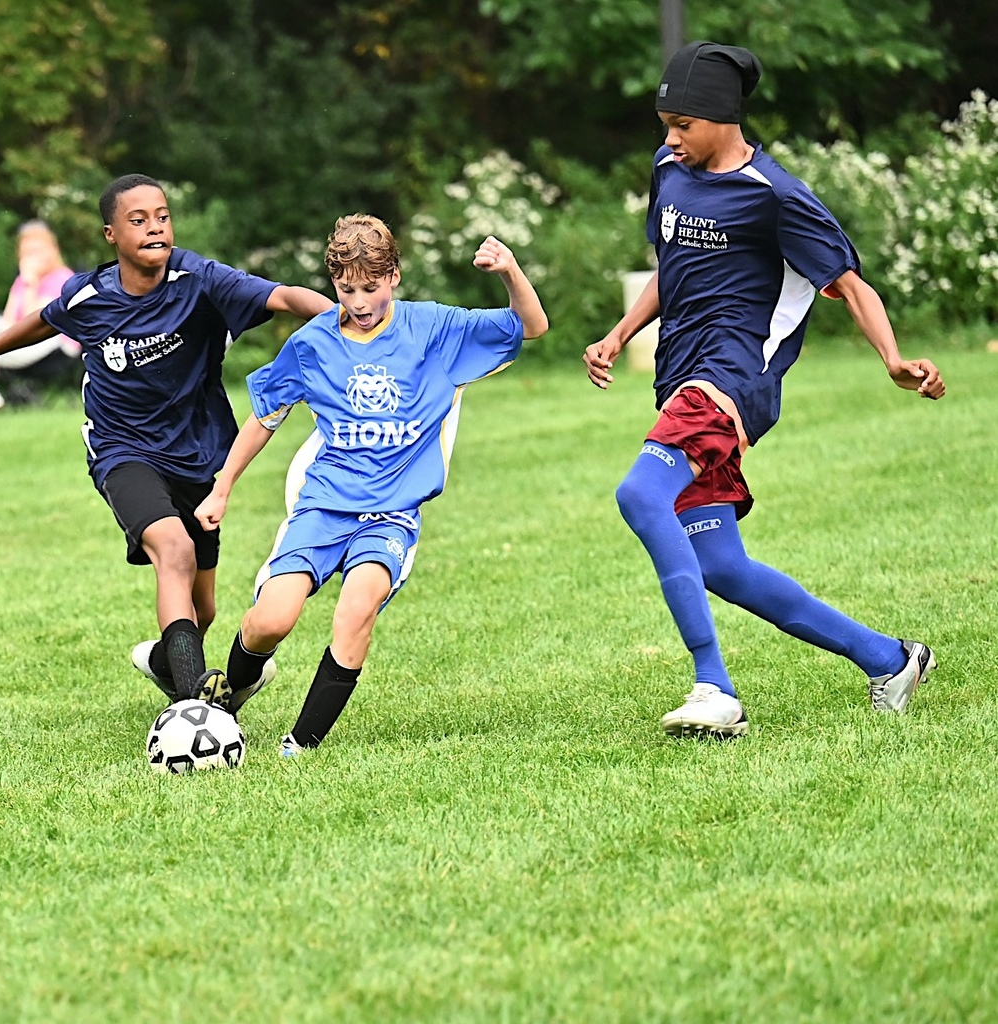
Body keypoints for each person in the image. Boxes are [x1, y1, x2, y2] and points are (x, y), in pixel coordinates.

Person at [583, 42, 946, 738]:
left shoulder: (774, 195)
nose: (669, 137)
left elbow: (848, 283)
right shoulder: (669, 169)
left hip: (733, 378)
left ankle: (713, 686)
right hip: (681, 375)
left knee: (638, 493)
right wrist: (619, 333)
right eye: (664, 122)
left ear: (722, 118)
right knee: (719, 563)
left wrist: (893, 359)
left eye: (682, 124)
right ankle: (890, 658)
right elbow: (669, 261)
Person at [194, 214, 548, 755]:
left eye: (370, 287)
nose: (358, 301)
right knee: (270, 620)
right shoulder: (314, 342)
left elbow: (531, 325)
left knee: (356, 608)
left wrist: (509, 271)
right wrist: (223, 486)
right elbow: (267, 415)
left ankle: (300, 745)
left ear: (394, 278)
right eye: (345, 289)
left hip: (392, 514)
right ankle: (229, 697)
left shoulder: (434, 329)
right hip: (324, 505)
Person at [0, 173, 333, 705]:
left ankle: (165, 661)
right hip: (120, 450)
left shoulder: (199, 278)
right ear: (111, 234)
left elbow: (283, 295)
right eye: (138, 219)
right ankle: (191, 707)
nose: (155, 227)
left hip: (199, 455)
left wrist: (352, 321)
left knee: (205, 611)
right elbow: (45, 321)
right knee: (171, 550)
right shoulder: (88, 296)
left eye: (162, 216)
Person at [0, 221, 81, 409]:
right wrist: (26, 282)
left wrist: (30, 285)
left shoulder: (63, 279)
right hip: (21, 346)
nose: (32, 258)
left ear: (53, 250)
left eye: (37, 251)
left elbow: (35, 325)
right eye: (27, 252)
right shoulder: (23, 280)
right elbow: (9, 324)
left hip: (55, 345)